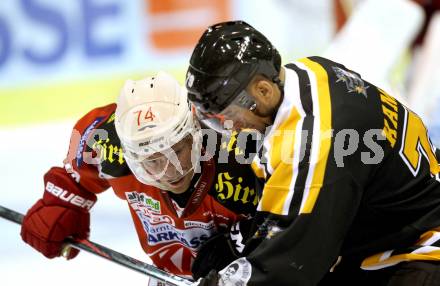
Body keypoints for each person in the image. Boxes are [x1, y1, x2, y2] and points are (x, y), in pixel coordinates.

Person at [185, 21, 440, 285]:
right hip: (386, 238)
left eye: (228, 116)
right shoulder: (306, 73)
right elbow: (287, 193)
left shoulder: (317, 141)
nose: (232, 128)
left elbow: (293, 263)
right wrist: (242, 242)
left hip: (422, 249)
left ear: (263, 90)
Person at [20, 71, 258, 285]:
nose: (168, 171)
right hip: (168, 278)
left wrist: (240, 243)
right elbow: (75, 178)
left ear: (193, 135)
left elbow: (291, 209)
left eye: (176, 151)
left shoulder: (237, 150)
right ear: (130, 154)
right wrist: (62, 203)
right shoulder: (107, 145)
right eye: (151, 159)